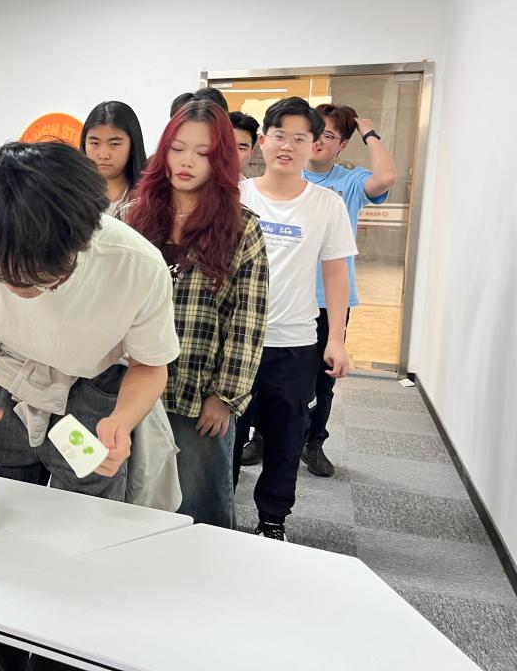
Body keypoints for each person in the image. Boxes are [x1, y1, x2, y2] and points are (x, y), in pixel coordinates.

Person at [0, 141, 180, 671]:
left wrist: (122, 422)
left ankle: (64, 644)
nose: (20, 289)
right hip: (4, 373)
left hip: (97, 383)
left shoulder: (134, 264)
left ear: (85, 238)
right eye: (5, 276)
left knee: (83, 527)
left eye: (40, 278)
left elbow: (151, 366)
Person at [125, 101, 268, 528]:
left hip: (197, 393)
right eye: (177, 148)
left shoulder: (241, 227)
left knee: (198, 508)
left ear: (220, 159)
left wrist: (225, 397)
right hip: (129, 386)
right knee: (129, 499)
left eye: (202, 153)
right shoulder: (131, 216)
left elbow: (248, 321)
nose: (186, 161)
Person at [234, 98, 355, 542]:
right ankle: (217, 509)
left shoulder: (326, 204)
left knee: (286, 438)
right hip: (236, 340)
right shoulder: (236, 194)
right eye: (279, 136)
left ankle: (272, 521)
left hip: (295, 342)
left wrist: (336, 338)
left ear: (314, 145)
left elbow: (336, 272)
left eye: (299, 138)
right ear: (262, 142)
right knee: (225, 433)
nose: (287, 146)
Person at [299, 102, 397, 477]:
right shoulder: (288, 175)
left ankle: (314, 442)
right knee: (270, 373)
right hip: (284, 296)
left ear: (341, 145)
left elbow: (386, 176)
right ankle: (262, 436)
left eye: (329, 135)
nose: (319, 141)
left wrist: (368, 132)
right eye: (315, 132)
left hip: (330, 299)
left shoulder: (350, 182)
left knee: (323, 377)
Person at [79, 101, 148, 216]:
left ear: (132, 145)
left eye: (114, 144)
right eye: (95, 143)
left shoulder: (150, 199)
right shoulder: (71, 197)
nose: (103, 155)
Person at [229, 111, 260, 179]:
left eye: (241, 148)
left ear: (252, 153)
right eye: (228, 145)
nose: (234, 154)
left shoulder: (251, 186)